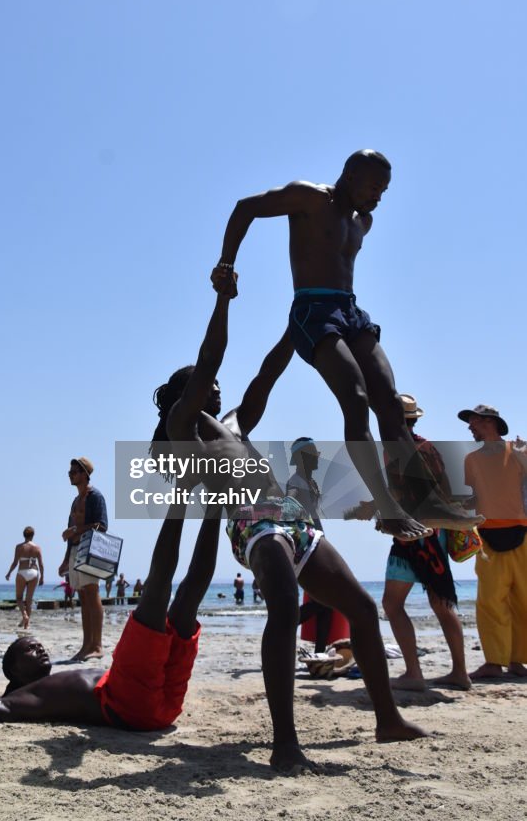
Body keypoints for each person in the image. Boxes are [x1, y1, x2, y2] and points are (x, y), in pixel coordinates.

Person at [154, 270, 426, 773]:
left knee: (363, 610)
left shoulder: (235, 423)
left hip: (292, 517)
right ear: (186, 392)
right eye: (204, 383)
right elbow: (212, 355)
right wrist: (223, 301)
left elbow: (267, 375)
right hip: (252, 525)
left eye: (214, 384)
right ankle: (285, 743)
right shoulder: (181, 427)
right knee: (282, 611)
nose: (215, 386)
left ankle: (387, 719)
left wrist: (294, 327)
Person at [212, 150, 482, 538]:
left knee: (389, 402)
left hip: (350, 311)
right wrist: (226, 264)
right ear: (350, 175)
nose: (378, 198)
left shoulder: (363, 222)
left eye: (384, 191)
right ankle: (388, 509)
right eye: (374, 187)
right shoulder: (308, 198)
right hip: (312, 310)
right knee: (355, 400)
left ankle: (426, 499)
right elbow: (245, 208)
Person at [0, 500, 222, 728]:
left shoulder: (41, 687)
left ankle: (215, 502)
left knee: (188, 596)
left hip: (163, 705)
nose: (38, 648)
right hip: (129, 700)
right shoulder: (22, 698)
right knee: (157, 587)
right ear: (14, 671)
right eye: (28, 649)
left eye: (37, 645)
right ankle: (181, 493)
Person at [380, 395, 471, 690]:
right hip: (433, 531)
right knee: (440, 602)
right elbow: (445, 491)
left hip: (415, 534)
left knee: (394, 604)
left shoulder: (400, 451)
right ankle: (459, 672)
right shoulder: (427, 447)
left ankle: (414, 673)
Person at [458, 404, 527, 680]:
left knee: (522, 600)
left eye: (473, 421)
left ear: (490, 422)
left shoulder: (519, 452)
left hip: (522, 533)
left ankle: (517, 661)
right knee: (490, 600)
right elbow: (473, 497)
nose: (470, 427)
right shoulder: (471, 460)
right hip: (486, 536)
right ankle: (494, 662)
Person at [288, 438, 346, 654]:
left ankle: (320, 653)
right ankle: (282, 626)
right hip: (306, 546)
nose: (317, 458)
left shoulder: (309, 482)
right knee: (323, 601)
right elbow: (289, 505)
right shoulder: (296, 482)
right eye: (313, 454)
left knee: (325, 601)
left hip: (317, 542)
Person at [59, 457, 108, 661]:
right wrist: (65, 560)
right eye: (70, 472)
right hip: (75, 550)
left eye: (74, 472)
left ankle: (97, 645)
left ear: (84, 474)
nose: (71, 475)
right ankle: (86, 645)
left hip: (90, 549)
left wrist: (76, 530)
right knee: (83, 597)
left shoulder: (95, 496)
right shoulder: (76, 500)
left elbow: (102, 525)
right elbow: (72, 533)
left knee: (92, 592)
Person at [5, 527, 44, 630]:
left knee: (19, 598)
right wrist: (42, 577)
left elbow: (15, 562)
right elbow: (41, 564)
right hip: (34, 572)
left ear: (24, 535)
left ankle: (24, 616)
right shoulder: (37, 548)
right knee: (29, 600)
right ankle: (27, 625)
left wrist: (9, 573)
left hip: (22, 572)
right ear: (33, 535)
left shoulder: (19, 547)